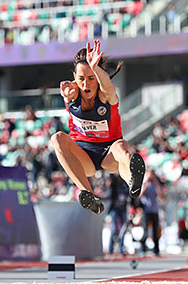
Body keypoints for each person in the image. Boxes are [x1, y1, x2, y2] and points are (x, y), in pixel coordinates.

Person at [51, 41, 145, 215]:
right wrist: (66, 92)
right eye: (81, 79)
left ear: (98, 77)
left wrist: (95, 67)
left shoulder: (106, 96)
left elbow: (109, 87)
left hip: (109, 154)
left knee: (121, 147)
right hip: (84, 157)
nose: (86, 84)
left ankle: (133, 181)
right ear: (75, 78)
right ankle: (88, 193)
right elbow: (68, 90)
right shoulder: (72, 95)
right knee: (56, 138)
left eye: (91, 78)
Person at [140, 170, 162, 256]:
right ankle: (143, 249)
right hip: (146, 210)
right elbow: (140, 195)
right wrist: (146, 183)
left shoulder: (155, 186)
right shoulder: (144, 185)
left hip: (154, 210)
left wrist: (156, 184)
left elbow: (161, 195)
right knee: (145, 230)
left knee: (155, 230)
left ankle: (156, 249)